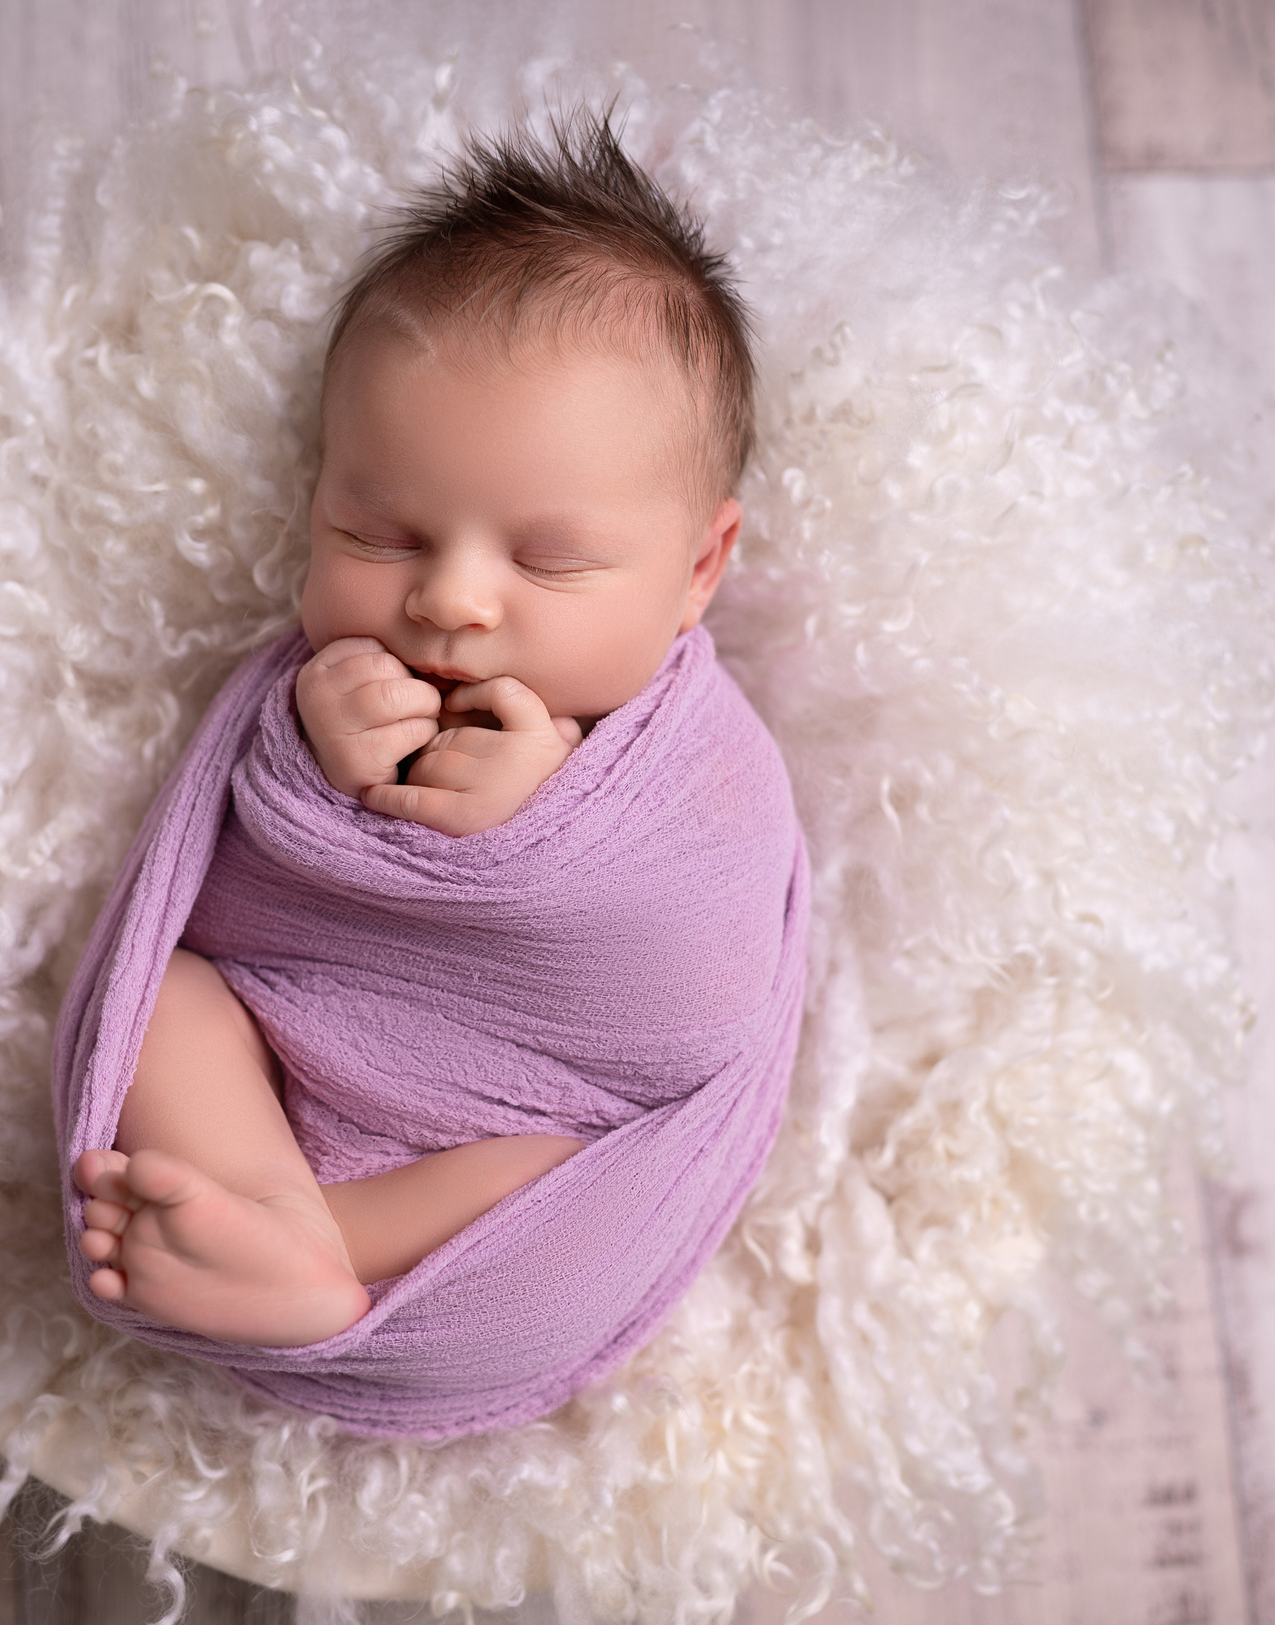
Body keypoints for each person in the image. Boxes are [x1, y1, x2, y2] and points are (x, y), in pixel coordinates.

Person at [70, 113, 777, 1350]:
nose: (449, 599)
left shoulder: (691, 753)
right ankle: (270, 1217)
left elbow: (699, 987)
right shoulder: (324, 682)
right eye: (378, 536)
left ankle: (310, 1251)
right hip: (285, 1064)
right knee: (166, 999)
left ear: (699, 566)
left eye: (548, 557)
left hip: (539, 1132)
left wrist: (547, 826)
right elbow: (229, 890)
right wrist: (309, 760)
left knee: (557, 1165)